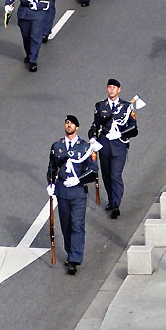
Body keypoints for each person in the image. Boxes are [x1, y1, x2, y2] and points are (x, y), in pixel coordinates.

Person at [46, 115, 99, 275]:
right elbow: (52, 167)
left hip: (78, 193)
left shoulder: (85, 148)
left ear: (77, 127)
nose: (69, 125)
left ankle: (74, 259)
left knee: (77, 225)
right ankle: (70, 252)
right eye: (67, 123)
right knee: (66, 226)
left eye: (72, 124)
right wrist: (50, 183)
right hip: (62, 192)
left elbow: (93, 171)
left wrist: (78, 180)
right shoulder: (57, 146)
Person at [89, 79, 137, 219]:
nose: (111, 90)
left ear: (119, 90)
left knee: (115, 175)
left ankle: (116, 204)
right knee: (106, 175)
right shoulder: (100, 106)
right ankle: (111, 200)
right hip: (104, 145)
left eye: (114, 88)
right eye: (109, 87)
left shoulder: (127, 107)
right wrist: (92, 138)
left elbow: (133, 128)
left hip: (119, 145)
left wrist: (121, 133)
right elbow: (95, 125)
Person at [4, 0, 54, 72]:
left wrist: (39, 5)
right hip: (24, 12)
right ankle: (29, 53)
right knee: (26, 36)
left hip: (37, 13)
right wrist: (7, 3)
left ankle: (33, 61)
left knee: (35, 36)